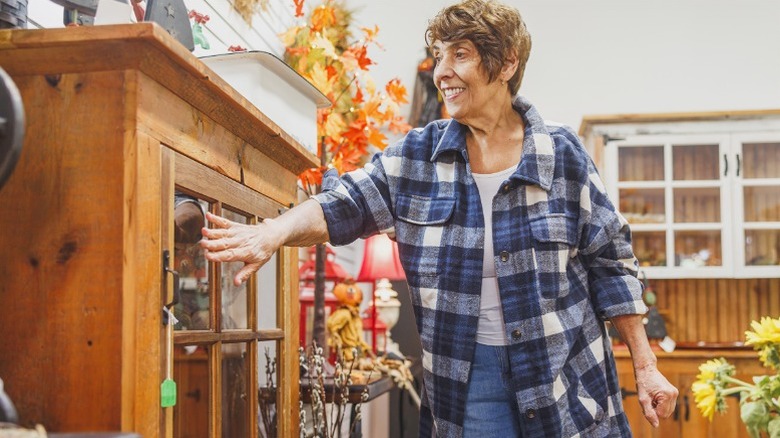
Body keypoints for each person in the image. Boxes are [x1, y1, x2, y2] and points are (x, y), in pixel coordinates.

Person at [200, 0, 678, 436]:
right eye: (438, 55)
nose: (441, 71)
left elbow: (612, 265)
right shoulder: (417, 158)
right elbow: (341, 203)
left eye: (461, 55)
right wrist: (272, 231)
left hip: (566, 379)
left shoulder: (563, 155)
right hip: (469, 388)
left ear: (507, 62)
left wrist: (645, 364)